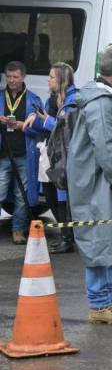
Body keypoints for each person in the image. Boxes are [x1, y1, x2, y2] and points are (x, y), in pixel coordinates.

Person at [67, 46, 112, 324]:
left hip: (105, 184)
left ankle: (107, 299)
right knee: (98, 242)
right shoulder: (100, 102)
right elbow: (106, 149)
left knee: (107, 242)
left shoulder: (107, 98)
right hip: (97, 184)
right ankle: (99, 305)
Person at [24, 62, 77, 253]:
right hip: (51, 151)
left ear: (62, 79)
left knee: (61, 193)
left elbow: (66, 128)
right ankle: (66, 235)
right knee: (48, 192)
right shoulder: (52, 99)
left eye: (52, 77)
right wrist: (33, 122)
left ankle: (67, 238)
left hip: (63, 154)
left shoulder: (73, 100)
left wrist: (44, 120)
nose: (49, 80)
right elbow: (49, 125)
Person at [0, 61, 44, 244]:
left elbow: (41, 128)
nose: (11, 80)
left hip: (25, 155)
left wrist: (21, 126)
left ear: (23, 77)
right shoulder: (0, 97)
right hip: (3, 155)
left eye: (15, 77)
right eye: (8, 77)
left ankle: (18, 230)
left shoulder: (34, 100)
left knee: (21, 195)